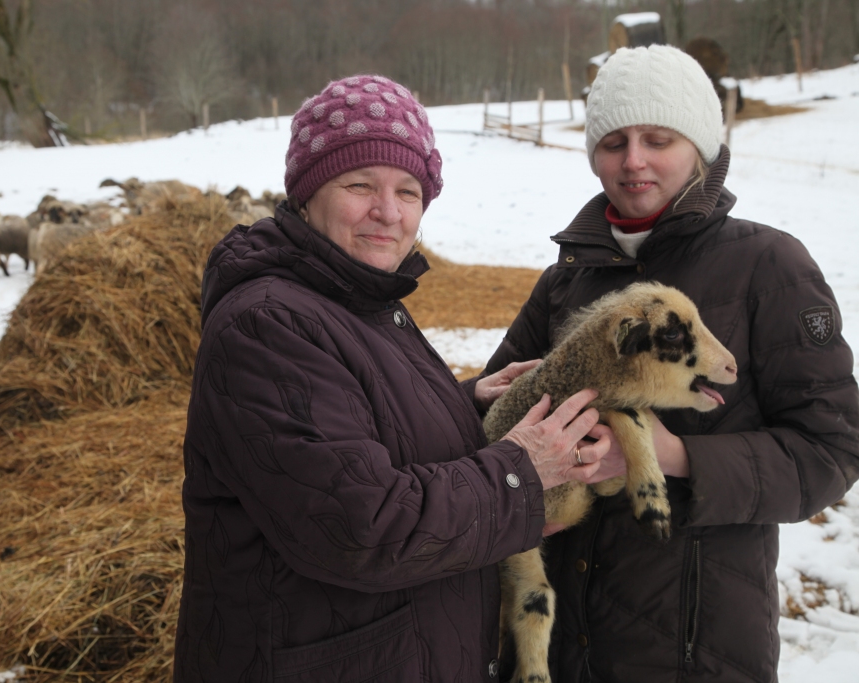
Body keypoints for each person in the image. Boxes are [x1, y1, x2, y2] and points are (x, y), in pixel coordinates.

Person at [173, 74, 617, 682]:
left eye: (409, 191)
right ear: (306, 193)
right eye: (360, 184)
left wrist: (463, 406)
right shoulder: (267, 323)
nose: (388, 212)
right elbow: (361, 526)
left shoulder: (355, 298)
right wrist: (522, 471)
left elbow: (347, 436)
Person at [481, 45, 859, 683]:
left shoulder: (769, 267)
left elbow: (832, 451)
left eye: (657, 138)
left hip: (693, 651)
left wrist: (668, 457)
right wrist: (479, 403)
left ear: (701, 146)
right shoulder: (567, 281)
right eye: (613, 142)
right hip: (559, 647)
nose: (633, 161)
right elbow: (495, 420)